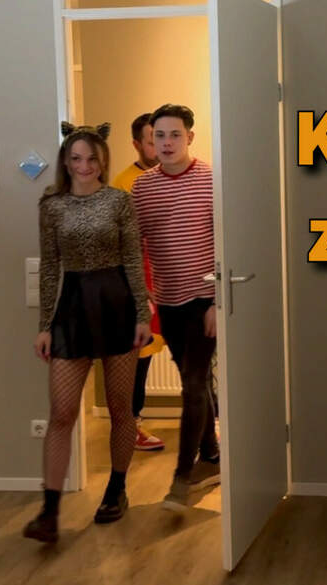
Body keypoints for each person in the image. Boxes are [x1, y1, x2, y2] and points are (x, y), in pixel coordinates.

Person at [23, 121, 152, 543]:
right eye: (76, 158)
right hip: (73, 307)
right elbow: (49, 268)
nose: (84, 166)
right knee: (61, 413)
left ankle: (116, 489)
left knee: (120, 409)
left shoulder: (119, 200)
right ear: (65, 161)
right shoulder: (51, 205)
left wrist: (142, 315)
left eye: (92, 158)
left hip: (117, 302)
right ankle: (49, 510)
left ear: (102, 161)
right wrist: (45, 325)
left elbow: (133, 259)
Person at [132, 104, 220, 513]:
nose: (166, 143)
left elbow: (225, 240)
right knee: (193, 380)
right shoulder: (143, 188)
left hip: (203, 300)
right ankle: (212, 455)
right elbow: (135, 247)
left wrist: (217, 301)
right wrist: (144, 298)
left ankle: (181, 479)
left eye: (175, 135)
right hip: (167, 301)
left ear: (190, 137)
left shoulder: (210, 179)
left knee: (193, 383)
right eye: (159, 136)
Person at [112, 112, 166, 452]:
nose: (160, 146)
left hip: (170, 282)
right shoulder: (125, 183)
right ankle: (131, 426)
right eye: (151, 140)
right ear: (136, 144)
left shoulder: (170, 176)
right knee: (138, 360)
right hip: (138, 285)